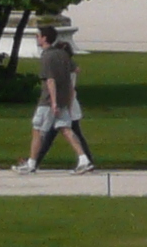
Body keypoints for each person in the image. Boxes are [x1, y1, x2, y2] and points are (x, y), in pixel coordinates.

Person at [12, 22, 93, 174]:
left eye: (38, 36)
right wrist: (67, 102)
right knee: (66, 130)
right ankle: (84, 159)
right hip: (63, 100)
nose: (37, 38)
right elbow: (70, 79)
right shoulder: (63, 54)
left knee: (37, 130)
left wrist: (54, 102)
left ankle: (31, 163)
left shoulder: (47, 56)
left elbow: (50, 80)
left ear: (44, 38)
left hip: (48, 101)